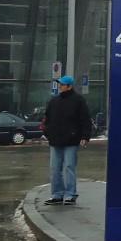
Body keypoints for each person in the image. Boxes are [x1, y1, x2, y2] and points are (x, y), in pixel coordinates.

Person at [43, 75, 93, 205]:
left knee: (70, 167)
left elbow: (85, 119)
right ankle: (57, 195)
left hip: (71, 140)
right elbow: (46, 118)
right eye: (59, 84)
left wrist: (85, 136)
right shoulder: (54, 101)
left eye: (62, 84)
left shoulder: (78, 100)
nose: (60, 86)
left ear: (69, 86)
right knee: (55, 169)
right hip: (55, 140)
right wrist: (47, 132)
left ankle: (70, 194)